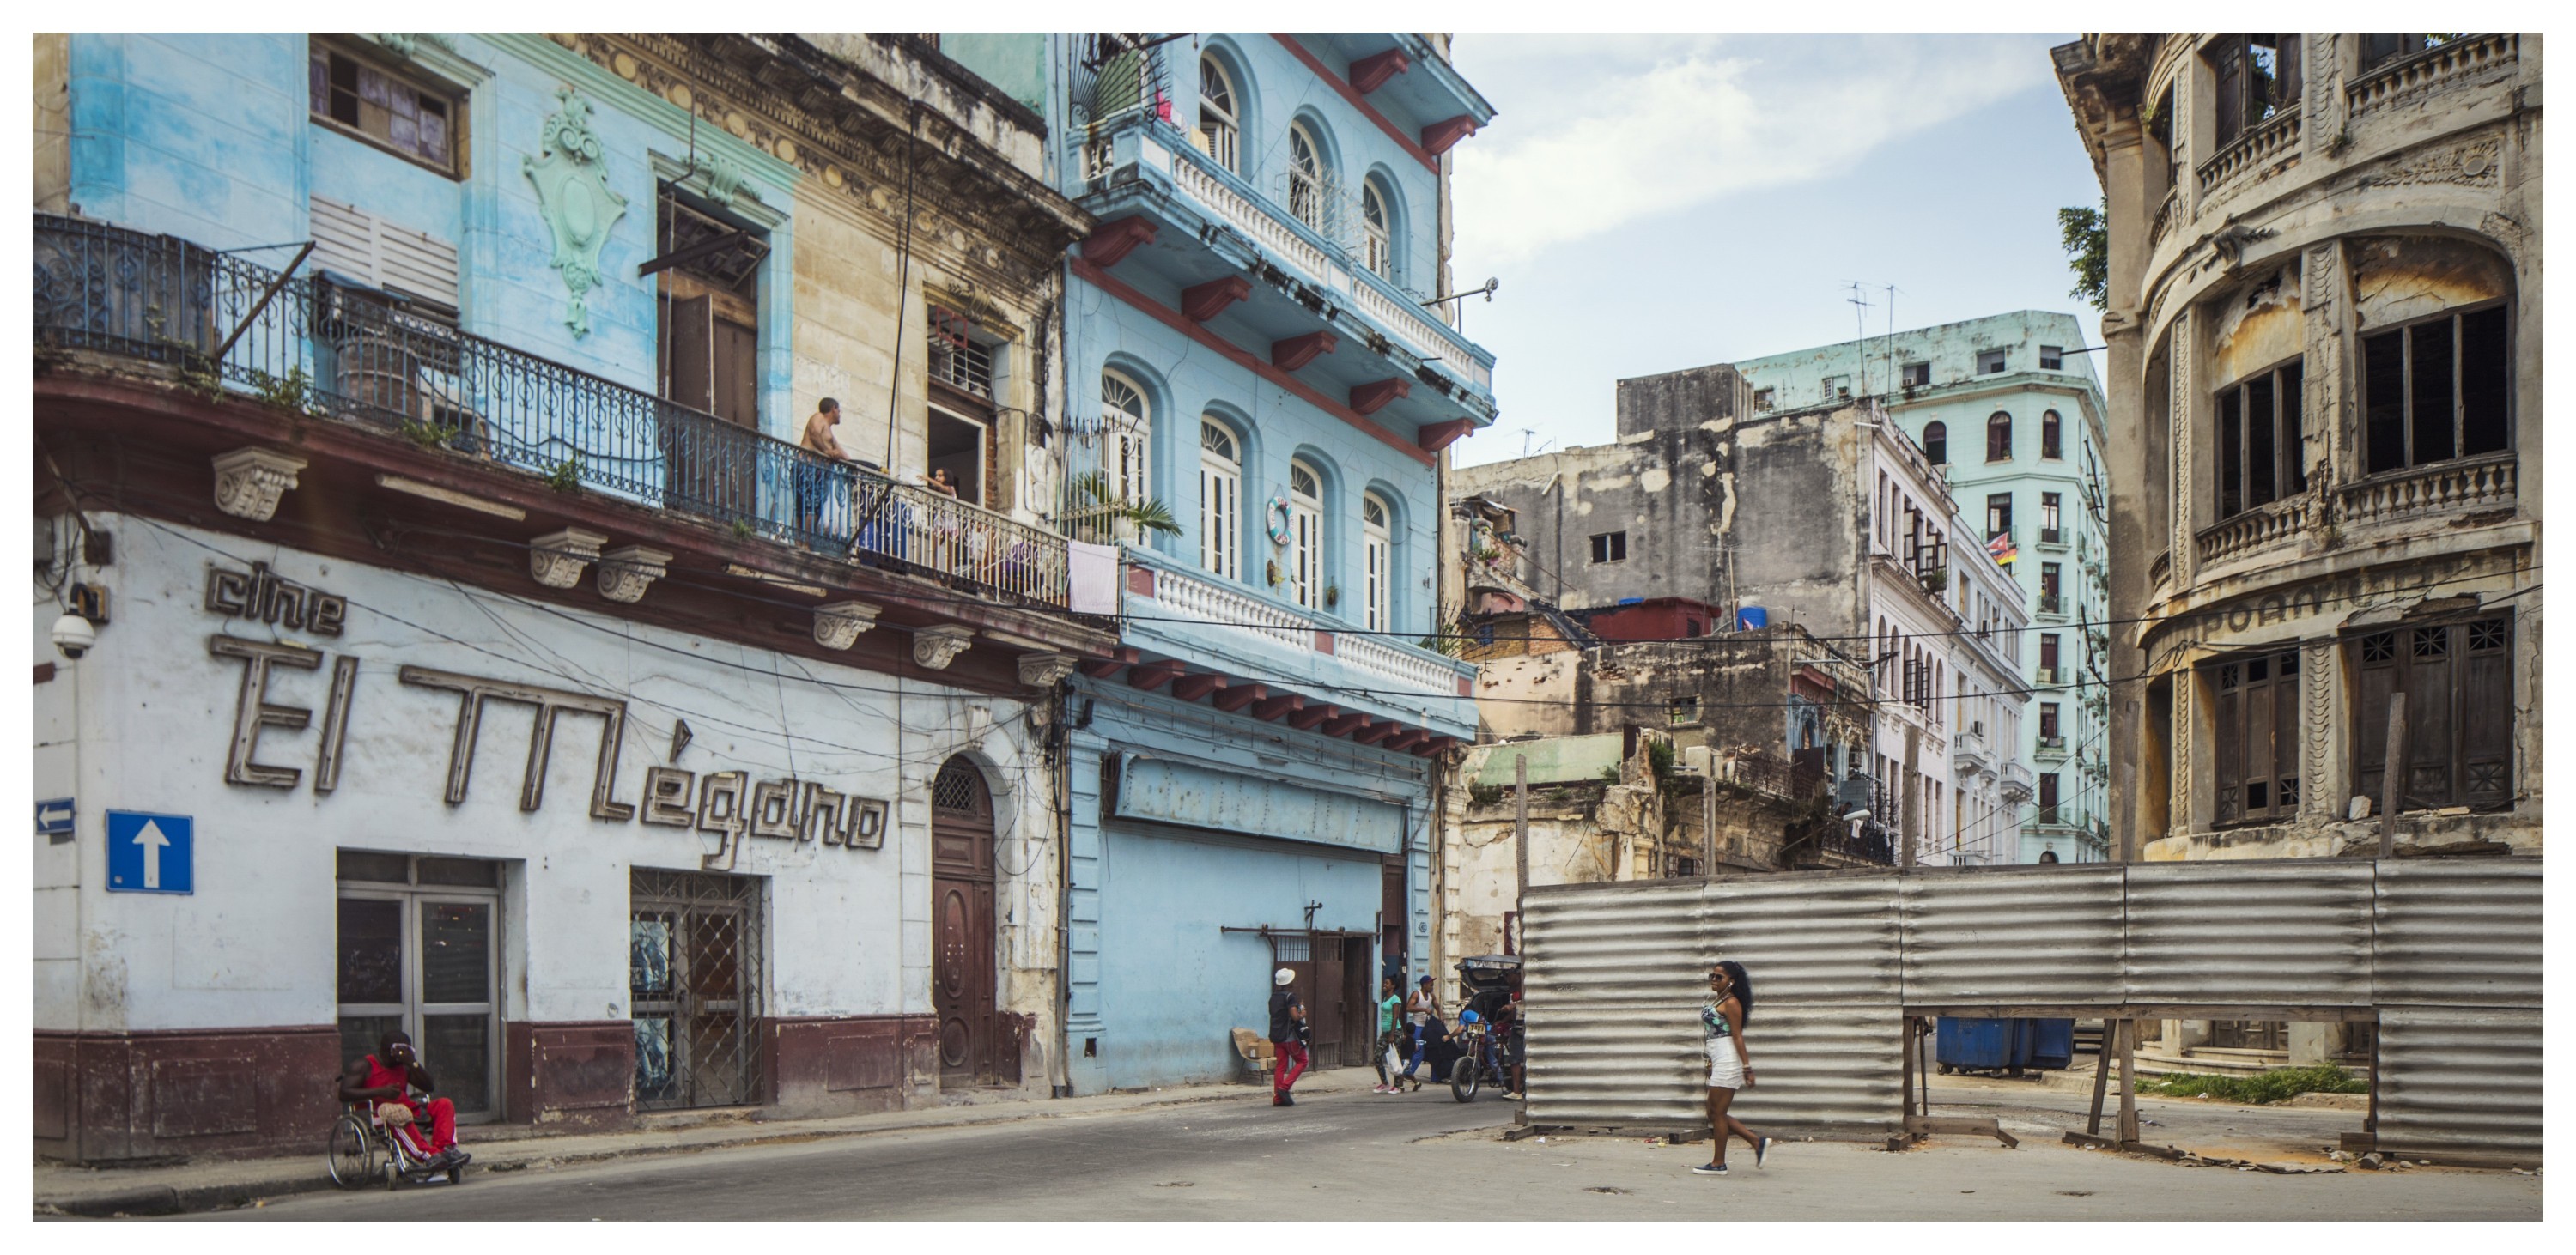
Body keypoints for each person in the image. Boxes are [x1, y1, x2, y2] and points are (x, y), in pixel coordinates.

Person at [338, 1029, 469, 1167]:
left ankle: (447, 1149)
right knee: (398, 1113)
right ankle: (429, 1155)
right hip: (378, 1114)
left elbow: (429, 1086)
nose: (403, 1055)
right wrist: (380, 1092)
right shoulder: (364, 1065)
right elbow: (344, 1093)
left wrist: (413, 1062)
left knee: (444, 1104)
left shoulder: (403, 1067)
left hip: (407, 1110)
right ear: (390, 1051)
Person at [1692, 960, 1773, 1176]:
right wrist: (1711, 1061)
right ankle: (1756, 1142)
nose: (1714, 980)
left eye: (1719, 977)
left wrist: (1747, 1067)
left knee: (1718, 1113)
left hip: (1729, 1060)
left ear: (1732, 981)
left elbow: (1737, 1036)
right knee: (1713, 1112)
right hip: (1719, 1058)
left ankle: (1719, 1163)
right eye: (1712, 976)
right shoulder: (1720, 998)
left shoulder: (1732, 1003)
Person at [795, 397, 854, 546]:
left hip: (818, 473)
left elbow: (844, 455)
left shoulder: (830, 435)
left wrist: (862, 468)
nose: (839, 414)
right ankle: (802, 544)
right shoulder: (818, 417)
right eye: (839, 410)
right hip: (807, 467)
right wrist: (828, 452)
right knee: (807, 508)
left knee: (814, 508)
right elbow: (814, 434)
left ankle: (804, 543)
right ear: (833, 408)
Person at [1268, 967, 1308, 1107]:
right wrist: (1302, 1013)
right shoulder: (1290, 997)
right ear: (1289, 982)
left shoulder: (1273, 997)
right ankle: (1284, 1088)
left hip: (1276, 1036)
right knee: (1303, 1061)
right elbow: (1295, 1017)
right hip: (1289, 1037)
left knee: (1280, 1066)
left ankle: (1278, 1099)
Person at [1394, 973, 1440, 1090]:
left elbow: (1437, 1006)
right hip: (1418, 1027)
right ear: (1424, 985)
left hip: (1428, 1027)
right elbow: (1408, 1008)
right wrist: (1424, 1009)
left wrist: (1441, 1018)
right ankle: (1408, 1073)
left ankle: (1435, 1077)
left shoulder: (1431, 995)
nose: (1432, 986)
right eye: (1430, 984)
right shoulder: (1416, 994)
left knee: (1434, 1049)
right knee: (1418, 1050)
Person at [1371, 976, 1406, 1094]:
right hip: (1385, 1033)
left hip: (1394, 1032)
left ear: (1393, 986)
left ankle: (1397, 1086)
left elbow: (1395, 1017)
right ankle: (1385, 1083)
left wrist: (1392, 1034)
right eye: (1384, 983)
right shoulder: (1386, 998)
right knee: (1377, 1056)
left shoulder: (1395, 999)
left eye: (1387, 983)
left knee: (1395, 1058)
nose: (1384, 985)